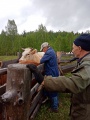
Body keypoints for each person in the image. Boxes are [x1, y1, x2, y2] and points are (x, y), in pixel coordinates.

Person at [27, 34, 90, 119]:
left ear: (79, 48)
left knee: (53, 92)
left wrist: (44, 81)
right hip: (82, 106)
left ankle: (55, 107)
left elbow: (74, 83)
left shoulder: (87, 65)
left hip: (84, 112)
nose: (72, 50)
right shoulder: (83, 61)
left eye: (73, 47)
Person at [40, 42, 59, 112]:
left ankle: (54, 107)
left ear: (45, 47)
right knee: (54, 88)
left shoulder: (48, 53)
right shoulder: (52, 51)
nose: (42, 51)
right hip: (54, 72)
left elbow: (41, 61)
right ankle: (56, 103)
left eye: (42, 49)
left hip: (51, 73)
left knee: (52, 89)